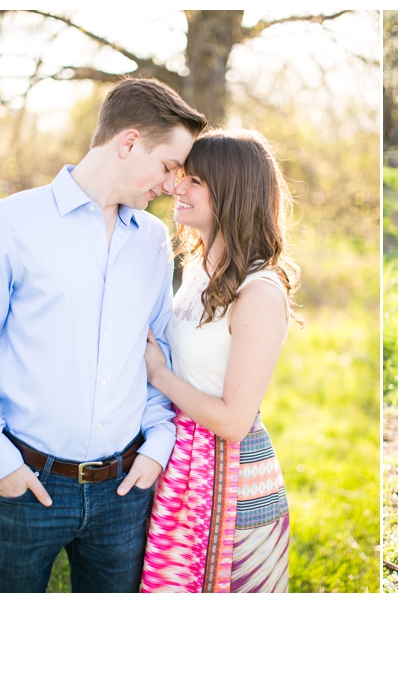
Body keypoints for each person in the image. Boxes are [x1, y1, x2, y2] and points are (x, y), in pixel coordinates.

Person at [0, 78, 207, 592]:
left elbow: (157, 348)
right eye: (170, 167)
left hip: (124, 491)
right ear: (128, 143)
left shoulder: (153, 240)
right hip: (21, 483)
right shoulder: (8, 224)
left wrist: (158, 445)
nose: (174, 185)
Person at [140, 128, 299, 593]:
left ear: (230, 192)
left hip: (231, 480)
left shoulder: (260, 292)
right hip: (182, 463)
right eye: (180, 176)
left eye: (194, 182)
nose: (176, 188)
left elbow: (233, 420)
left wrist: (159, 375)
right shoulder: (198, 268)